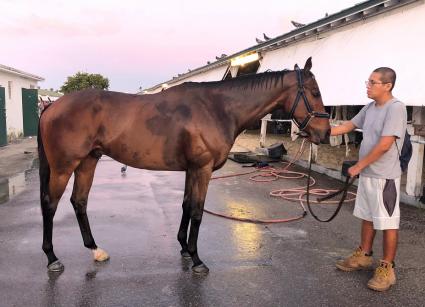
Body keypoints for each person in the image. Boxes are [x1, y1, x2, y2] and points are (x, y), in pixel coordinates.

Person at [331, 67, 407, 292]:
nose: (368, 85)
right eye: (368, 81)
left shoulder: (396, 108)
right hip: (368, 175)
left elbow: (385, 145)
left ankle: (387, 268)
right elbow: (348, 126)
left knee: (388, 223)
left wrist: (358, 166)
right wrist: (321, 131)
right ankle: (364, 255)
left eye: (373, 82)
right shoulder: (370, 107)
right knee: (367, 216)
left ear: (387, 86)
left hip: (385, 177)